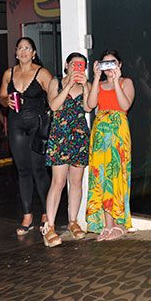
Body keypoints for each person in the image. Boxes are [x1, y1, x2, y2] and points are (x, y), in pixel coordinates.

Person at [0, 37, 54, 235]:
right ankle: (27, 215)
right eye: (20, 48)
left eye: (27, 48)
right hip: (16, 124)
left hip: (37, 126)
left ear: (34, 53)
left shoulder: (42, 73)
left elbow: (54, 97)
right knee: (23, 170)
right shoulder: (9, 73)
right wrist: (6, 101)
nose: (23, 51)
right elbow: (1, 96)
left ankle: (47, 213)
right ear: (16, 52)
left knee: (39, 169)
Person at [41, 53, 93, 247]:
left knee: (76, 181)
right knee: (58, 181)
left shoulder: (86, 85)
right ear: (66, 65)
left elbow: (88, 108)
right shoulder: (56, 82)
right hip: (60, 137)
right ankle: (50, 227)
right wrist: (69, 86)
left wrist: (86, 86)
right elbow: (54, 105)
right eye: (74, 64)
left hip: (79, 136)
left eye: (81, 65)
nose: (77, 68)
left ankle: (73, 221)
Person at [85, 50, 135, 241]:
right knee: (101, 177)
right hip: (100, 135)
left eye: (112, 62)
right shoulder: (98, 84)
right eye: (104, 63)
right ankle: (107, 225)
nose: (108, 67)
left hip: (118, 134)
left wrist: (115, 81)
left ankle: (119, 223)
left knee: (117, 175)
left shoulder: (126, 82)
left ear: (119, 65)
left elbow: (125, 106)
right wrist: (96, 77)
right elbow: (90, 105)